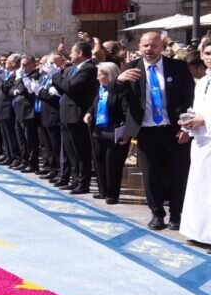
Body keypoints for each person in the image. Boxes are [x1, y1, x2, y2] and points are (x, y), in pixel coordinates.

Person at [114, 30, 195, 231]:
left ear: (162, 47)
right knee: (151, 176)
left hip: (173, 130)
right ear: (139, 47)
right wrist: (119, 80)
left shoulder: (177, 67)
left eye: (154, 45)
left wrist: (185, 126)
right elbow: (114, 97)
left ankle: (176, 214)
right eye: (145, 46)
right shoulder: (131, 68)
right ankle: (157, 213)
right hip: (146, 131)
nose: (149, 49)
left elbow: (189, 99)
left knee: (177, 173)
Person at [50, 41, 99, 194]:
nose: (69, 54)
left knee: (81, 151)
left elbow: (70, 87)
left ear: (80, 53)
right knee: (71, 151)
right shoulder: (73, 69)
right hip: (66, 113)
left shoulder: (89, 69)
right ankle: (75, 179)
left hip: (78, 114)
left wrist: (55, 75)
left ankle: (83, 183)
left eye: (72, 51)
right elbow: (64, 87)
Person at [84, 62, 130, 205]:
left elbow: (126, 111)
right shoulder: (100, 89)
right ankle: (103, 190)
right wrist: (89, 113)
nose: (97, 77)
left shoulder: (121, 90)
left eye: (100, 74)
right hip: (99, 130)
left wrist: (126, 131)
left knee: (112, 164)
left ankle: (112, 193)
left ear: (109, 75)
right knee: (99, 161)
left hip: (114, 131)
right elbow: (94, 105)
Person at [180, 44, 211, 244]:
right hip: (200, 141)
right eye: (208, 53)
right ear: (201, 55)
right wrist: (187, 125)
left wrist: (205, 120)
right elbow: (197, 108)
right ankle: (199, 232)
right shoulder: (201, 82)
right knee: (199, 188)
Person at [11, 55, 41, 172]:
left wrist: (18, 79)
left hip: (28, 111)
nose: (22, 67)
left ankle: (33, 163)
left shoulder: (35, 75)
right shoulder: (24, 76)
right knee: (21, 138)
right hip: (19, 111)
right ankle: (24, 160)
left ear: (33, 64)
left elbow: (23, 90)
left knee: (30, 139)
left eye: (25, 64)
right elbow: (14, 88)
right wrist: (17, 86)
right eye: (21, 64)